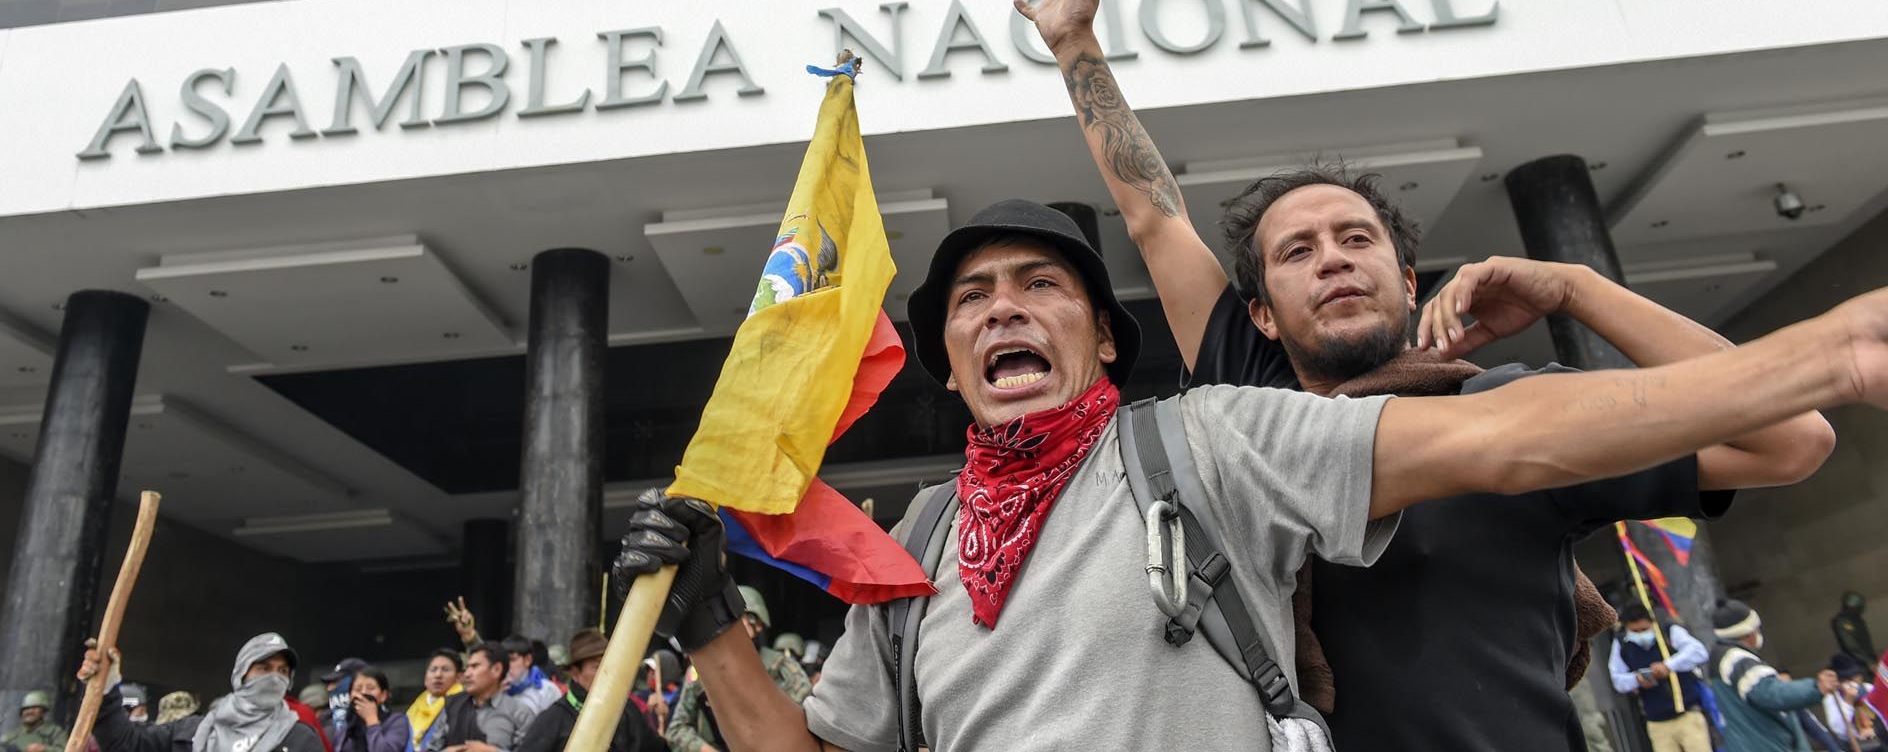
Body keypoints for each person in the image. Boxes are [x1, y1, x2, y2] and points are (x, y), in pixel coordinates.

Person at [612, 185, 1887, 752]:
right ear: (945, 353)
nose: (1004, 310)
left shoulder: (1211, 435)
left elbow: (1509, 439)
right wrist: (716, 623)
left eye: (1040, 285)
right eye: (973, 298)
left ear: (1100, 335)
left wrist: (1818, 351)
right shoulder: (921, 538)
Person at [1025, 0, 1836, 751]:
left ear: (1409, 281)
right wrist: (1075, 49)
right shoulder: (1254, 405)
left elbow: (1791, 440)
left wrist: (1577, 289)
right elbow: (1153, 216)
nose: (1333, 257)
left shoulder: (1512, 412)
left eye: (1355, 238)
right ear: (1261, 315)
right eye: (1297, 252)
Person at [77, 633, 323, 752]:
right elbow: (125, 743)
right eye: (264, 668)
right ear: (241, 674)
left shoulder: (300, 740)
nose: (274, 678)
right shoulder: (192, 733)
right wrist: (106, 689)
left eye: (282, 671)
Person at [667, 587, 811, 752]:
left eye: (739, 621)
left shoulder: (780, 667)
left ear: (757, 625)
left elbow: (806, 721)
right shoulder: (701, 672)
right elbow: (676, 730)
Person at [1711, 599, 1840, 752]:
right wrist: (1816, 687)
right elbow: (1771, 692)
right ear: (1748, 632)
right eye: (1757, 628)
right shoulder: (1738, 661)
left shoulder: (1723, 658)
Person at [513, 630, 666, 752]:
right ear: (575, 673)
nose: (606, 673)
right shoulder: (553, 720)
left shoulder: (627, 710)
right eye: (597, 666)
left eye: (609, 665)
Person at [1609, 603, 1712, 752]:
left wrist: (1668, 666)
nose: (1640, 634)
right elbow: (1617, 680)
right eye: (1635, 631)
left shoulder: (1668, 632)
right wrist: (1637, 679)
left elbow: (1699, 652)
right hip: (1657, 722)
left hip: (1688, 713)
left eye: (1644, 629)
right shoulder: (1621, 644)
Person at [460, 644, 530, 752]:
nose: (467, 674)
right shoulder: (452, 707)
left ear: (496, 669)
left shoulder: (519, 712)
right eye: (467, 668)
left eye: (474, 666)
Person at [408, 650, 479, 752]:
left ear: (459, 677)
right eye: (433, 670)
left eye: (445, 670)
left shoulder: (466, 705)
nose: (438, 675)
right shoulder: (414, 709)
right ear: (425, 678)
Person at [333, 668, 407, 752]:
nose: (363, 693)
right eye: (358, 689)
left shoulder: (396, 722)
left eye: (370, 688)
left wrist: (371, 720)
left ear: (383, 695)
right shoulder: (344, 729)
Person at [1826, 652, 1886, 747]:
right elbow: (1839, 730)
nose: (1852, 683)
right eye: (1845, 680)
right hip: (1853, 744)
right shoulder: (1832, 699)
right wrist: (1848, 702)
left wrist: (1875, 729)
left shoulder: (1868, 688)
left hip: (1880, 737)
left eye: (1854, 678)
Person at [496, 637, 559, 718]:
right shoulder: (495, 689)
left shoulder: (547, 690)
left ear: (527, 660)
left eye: (512, 660)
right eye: (503, 660)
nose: (506, 665)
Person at [314, 658, 365, 744]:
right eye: (329, 684)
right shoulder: (322, 723)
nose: (329, 688)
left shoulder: (384, 724)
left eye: (336, 682)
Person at [1, 692, 66, 752]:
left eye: (34, 708)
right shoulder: (10, 737)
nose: (29, 712)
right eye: (26, 709)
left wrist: (44, 749)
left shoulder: (55, 732)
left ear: (43, 712)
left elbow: (67, 750)